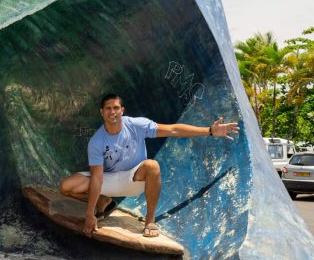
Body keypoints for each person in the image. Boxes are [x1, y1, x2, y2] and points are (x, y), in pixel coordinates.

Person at [59, 93, 238, 239]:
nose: (112, 112)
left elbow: (173, 130)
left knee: (152, 165)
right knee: (67, 187)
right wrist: (90, 213)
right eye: (108, 108)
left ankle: (150, 220)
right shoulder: (97, 141)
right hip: (110, 179)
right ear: (101, 112)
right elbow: (97, 177)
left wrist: (209, 131)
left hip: (133, 179)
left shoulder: (136, 125)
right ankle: (104, 202)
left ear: (122, 110)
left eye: (116, 108)